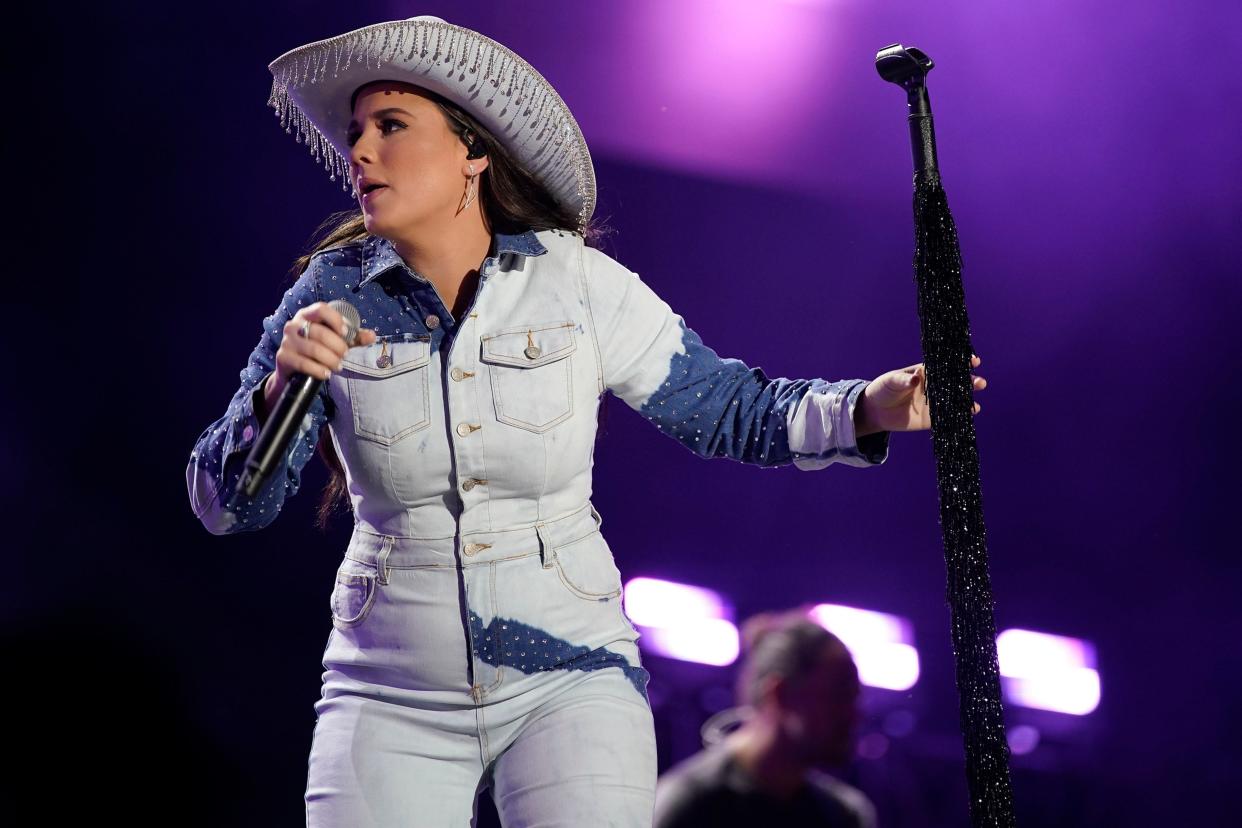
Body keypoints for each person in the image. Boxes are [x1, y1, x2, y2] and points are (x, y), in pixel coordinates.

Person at [186, 15, 986, 827]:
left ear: (473, 152)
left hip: (569, 677)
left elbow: (727, 409)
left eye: (391, 127)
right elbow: (226, 505)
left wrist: (867, 407)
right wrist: (278, 387)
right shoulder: (327, 294)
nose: (360, 151)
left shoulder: (575, 282)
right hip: (388, 689)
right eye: (357, 133)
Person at [654, 610, 876, 828]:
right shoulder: (690, 804)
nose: (854, 714)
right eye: (838, 696)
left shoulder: (844, 816)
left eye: (855, 699)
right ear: (780, 694)